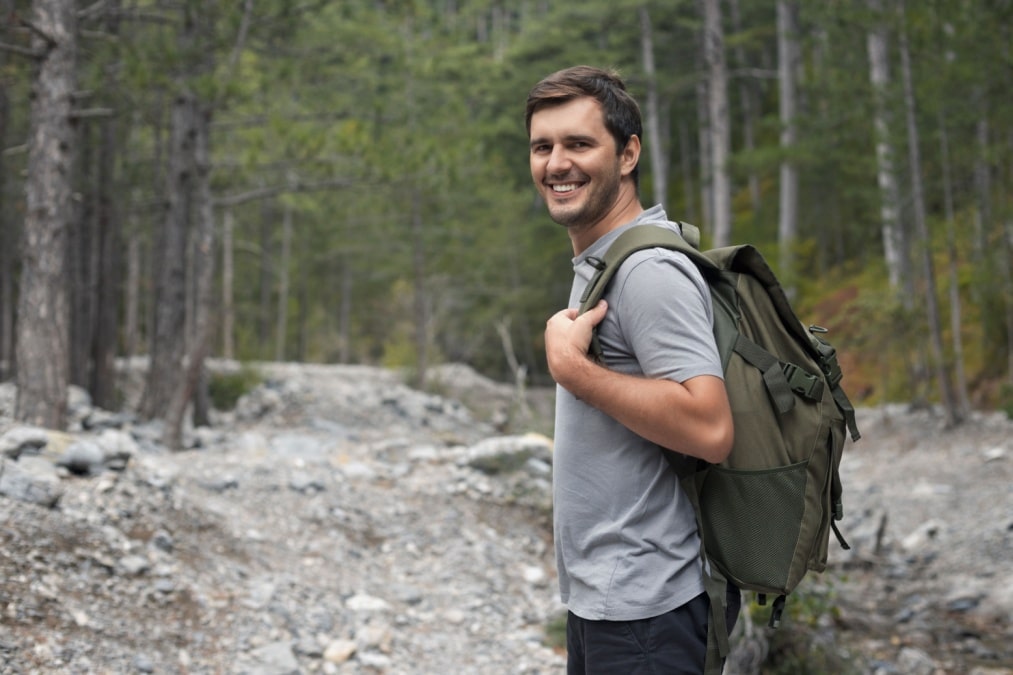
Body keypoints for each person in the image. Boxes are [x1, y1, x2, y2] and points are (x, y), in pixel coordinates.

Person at [527, 65, 741, 674]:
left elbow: (710, 428)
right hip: (612, 602)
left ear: (628, 154)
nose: (557, 164)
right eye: (543, 147)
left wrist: (574, 371)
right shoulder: (607, 259)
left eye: (579, 143)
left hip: (649, 609)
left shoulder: (648, 271)